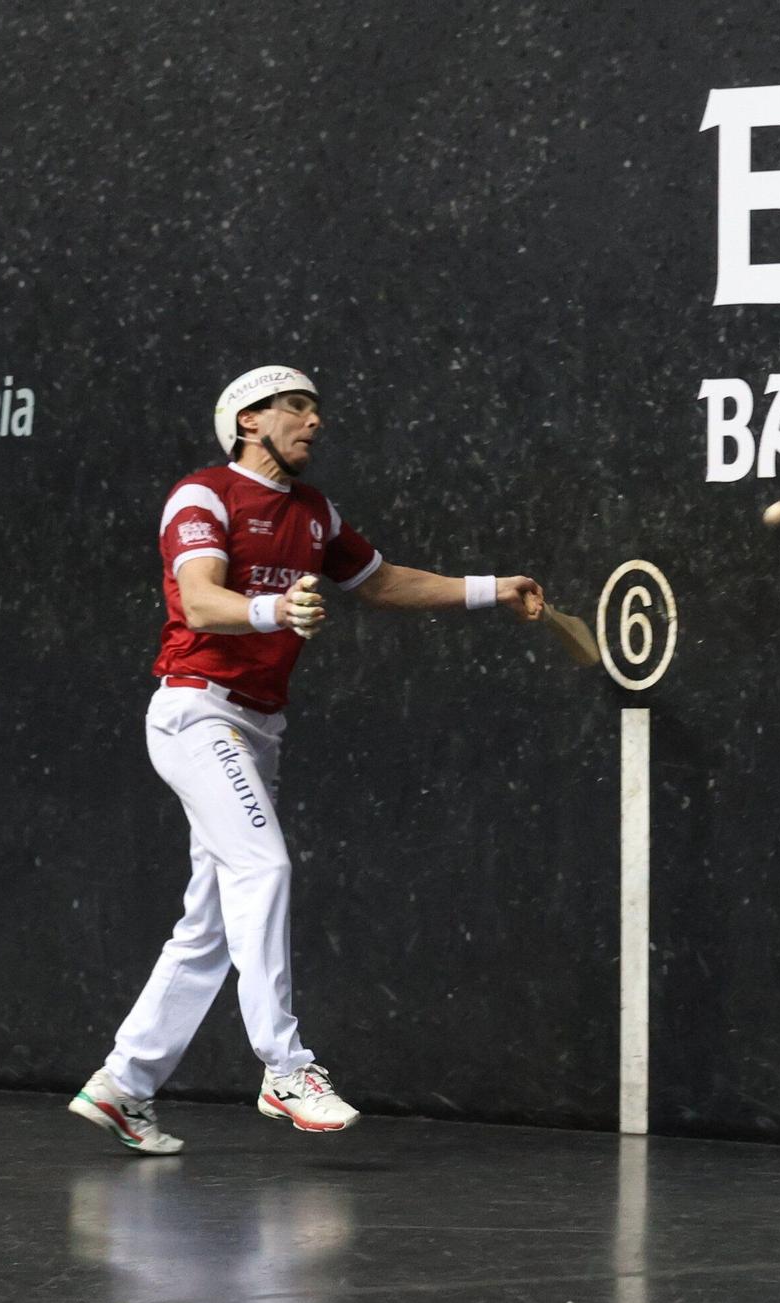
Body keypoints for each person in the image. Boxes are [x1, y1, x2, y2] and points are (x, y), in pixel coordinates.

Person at [70, 365, 543, 1153]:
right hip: (195, 712)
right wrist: (274, 608)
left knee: (214, 923)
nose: (313, 422)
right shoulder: (204, 496)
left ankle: (125, 1084)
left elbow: (384, 583)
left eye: (317, 410)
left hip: (258, 731)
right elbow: (196, 599)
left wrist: (490, 589)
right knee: (266, 868)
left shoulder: (318, 515)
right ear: (249, 421)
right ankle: (286, 1068)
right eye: (296, 407)